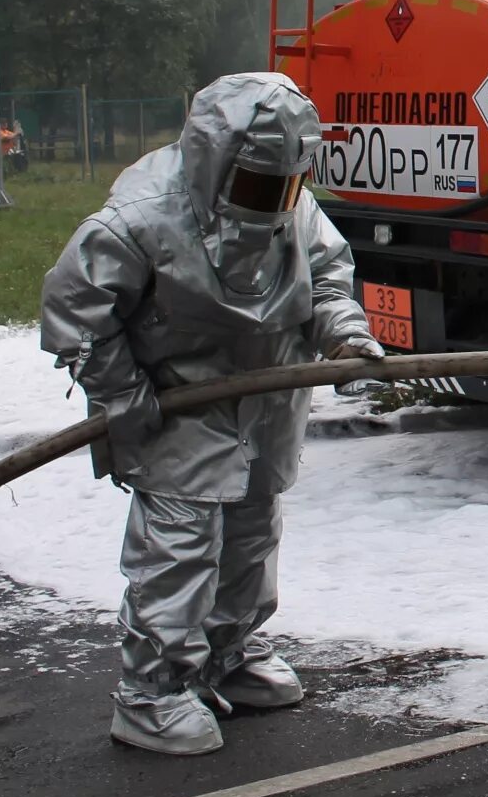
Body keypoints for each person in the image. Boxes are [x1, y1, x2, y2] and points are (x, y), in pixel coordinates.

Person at [40, 72, 381, 756]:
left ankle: (229, 651)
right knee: (179, 548)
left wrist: (344, 332)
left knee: (252, 536)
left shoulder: (293, 206)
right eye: (257, 185)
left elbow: (328, 274)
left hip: (265, 400)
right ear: (214, 164)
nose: (274, 201)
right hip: (179, 403)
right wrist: (121, 392)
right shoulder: (143, 217)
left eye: (284, 185)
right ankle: (153, 690)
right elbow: (74, 309)